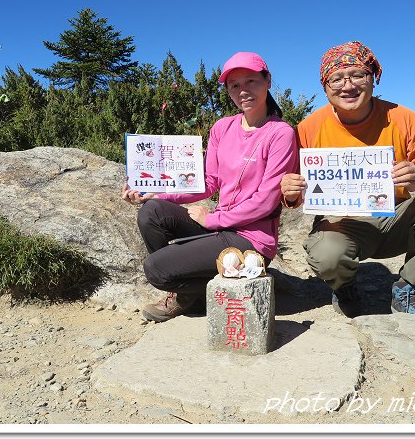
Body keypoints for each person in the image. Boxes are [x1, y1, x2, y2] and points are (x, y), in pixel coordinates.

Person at [280, 41, 415, 328]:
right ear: (325, 86)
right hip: (343, 225)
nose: (347, 86)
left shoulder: (402, 118)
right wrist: (290, 192)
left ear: (373, 78)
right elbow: (295, 189)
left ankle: (410, 292)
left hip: (397, 219)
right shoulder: (309, 128)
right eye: (336, 78)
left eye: (357, 75)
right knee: (327, 255)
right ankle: (344, 284)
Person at [122, 52, 298, 322]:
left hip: (251, 238)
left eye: (251, 81)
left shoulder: (280, 133)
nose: (243, 90)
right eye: (234, 85)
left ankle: (198, 291)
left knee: (156, 270)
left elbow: (266, 200)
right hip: (221, 226)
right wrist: (153, 192)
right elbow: (208, 181)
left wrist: (213, 219)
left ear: (268, 81)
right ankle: (195, 287)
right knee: (152, 211)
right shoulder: (222, 128)